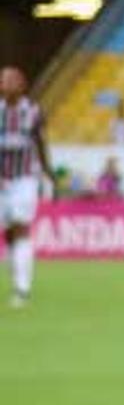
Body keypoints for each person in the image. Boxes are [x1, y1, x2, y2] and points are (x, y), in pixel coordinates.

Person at [0, 67, 51, 308]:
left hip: (24, 179)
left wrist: (48, 172)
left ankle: (23, 288)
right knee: (8, 233)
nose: (6, 84)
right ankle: (17, 280)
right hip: (1, 181)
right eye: (3, 80)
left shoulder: (33, 111)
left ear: (22, 84)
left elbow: (41, 142)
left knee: (21, 228)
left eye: (11, 80)